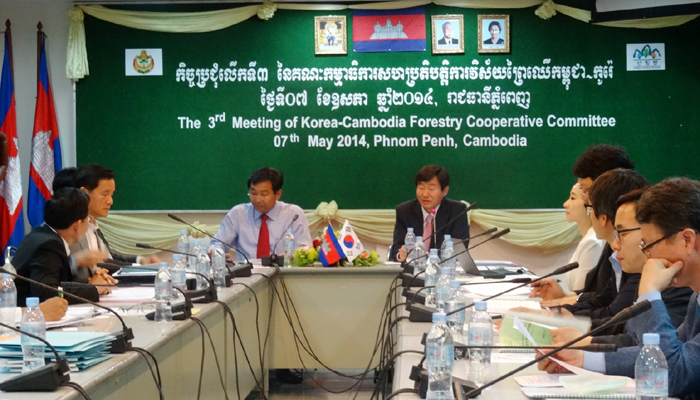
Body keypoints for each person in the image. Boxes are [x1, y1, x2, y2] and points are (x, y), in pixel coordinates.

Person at [537, 178, 700, 400]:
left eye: (648, 245)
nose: (647, 256)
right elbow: (660, 355)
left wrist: (649, 294)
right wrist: (582, 359)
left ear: (687, 240)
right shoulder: (696, 298)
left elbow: (669, 375)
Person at [549, 188, 692, 348]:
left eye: (622, 233)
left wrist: (649, 292)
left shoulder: (683, 288)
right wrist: (581, 337)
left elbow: (662, 356)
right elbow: (630, 332)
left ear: (687, 240)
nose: (615, 244)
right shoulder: (686, 292)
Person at [532, 145, 635, 305]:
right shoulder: (612, 239)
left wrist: (559, 307)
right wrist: (563, 298)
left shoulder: (630, 243)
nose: (585, 199)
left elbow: (614, 310)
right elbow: (602, 296)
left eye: (586, 190)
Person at [13, 188, 107, 307]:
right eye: (88, 219)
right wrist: (94, 289)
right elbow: (47, 294)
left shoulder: (41, 235)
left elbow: (58, 283)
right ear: (77, 225)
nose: (88, 223)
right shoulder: (48, 246)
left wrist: (92, 283)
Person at [70, 164, 159, 288]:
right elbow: (67, 269)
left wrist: (140, 262)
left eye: (111, 195)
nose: (110, 201)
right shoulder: (71, 228)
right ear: (84, 193)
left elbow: (108, 259)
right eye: (105, 194)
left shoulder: (93, 224)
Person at [213, 167, 312, 261]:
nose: (258, 200)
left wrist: (290, 256)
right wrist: (214, 251)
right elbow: (218, 243)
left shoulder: (294, 215)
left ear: (278, 194)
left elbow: (304, 249)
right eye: (253, 193)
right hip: (248, 275)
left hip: (284, 273)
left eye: (264, 194)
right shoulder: (238, 214)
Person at [390, 165, 469, 262]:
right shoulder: (405, 211)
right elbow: (395, 251)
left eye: (431, 189)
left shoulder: (457, 211)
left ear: (445, 191)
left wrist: (427, 258)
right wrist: (400, 255)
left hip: (443, 271)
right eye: (421, 188)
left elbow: (459, 251)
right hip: (413, 272)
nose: (425, 194)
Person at [560, 183, 605, 292]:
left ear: (589, 204)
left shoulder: (592, 242)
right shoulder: (587, 238)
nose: (565, 204)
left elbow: (582, 294)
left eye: (573, 198)